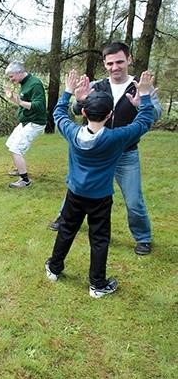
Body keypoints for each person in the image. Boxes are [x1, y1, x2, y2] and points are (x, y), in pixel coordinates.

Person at [45, 69, 155, 298]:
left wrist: (68, 92)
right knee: (99, 238)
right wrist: (144, 95)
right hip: (100, 199)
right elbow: (145, 121)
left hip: (74, 193)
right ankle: (97, 284)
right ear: (110, 114)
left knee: (66, 229)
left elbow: (58, 114)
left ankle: (54, 268)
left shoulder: (72, 132)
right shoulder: (117, 137)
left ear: (84, 112)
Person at [48, 42, 162, 256]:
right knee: (77, 186)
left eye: (119, 61)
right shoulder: (98, 86)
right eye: (110, 63)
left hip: (125, 152)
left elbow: (155, 113)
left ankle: (143, 237)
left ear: (129, 59)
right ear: (105, 64)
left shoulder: (141, 86)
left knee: (133, 198)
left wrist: (141, 103)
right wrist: (79, 101)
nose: (115, 67)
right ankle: (64, 217)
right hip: (96, 150)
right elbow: (78, 109)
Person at [4, 61, 47, 188]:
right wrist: (12, 98)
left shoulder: (34, 84)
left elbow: (39, 106)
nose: (11, 80)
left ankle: (25, 180)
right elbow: (22, 102)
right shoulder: (24, 83)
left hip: (35, 122)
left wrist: (21, 102)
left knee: (15, 149)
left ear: (20, 72)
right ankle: (19, 168)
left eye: (12, 77)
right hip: (25, 121)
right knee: (11, 144)